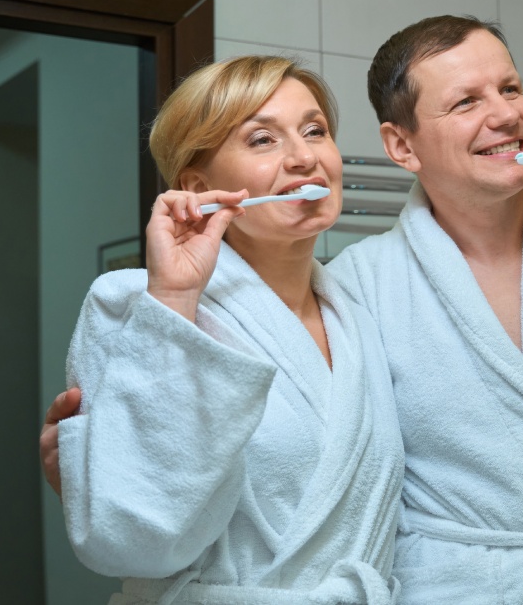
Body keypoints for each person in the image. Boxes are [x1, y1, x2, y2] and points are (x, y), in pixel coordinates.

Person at [44, 15, 523, 603]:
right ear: (401, 146)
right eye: (465, 101)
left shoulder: (353, 301)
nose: (503, 113)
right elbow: (146, 519)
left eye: (512, 88)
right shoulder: (358, 285)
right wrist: (109, 461)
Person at [53, 55, 404, 604]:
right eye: (263, 140)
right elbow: (130, 538)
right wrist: (174, 297)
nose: (304, 156)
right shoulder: (133, 305)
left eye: (315, 131)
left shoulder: (360, 316)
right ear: (197, 185)